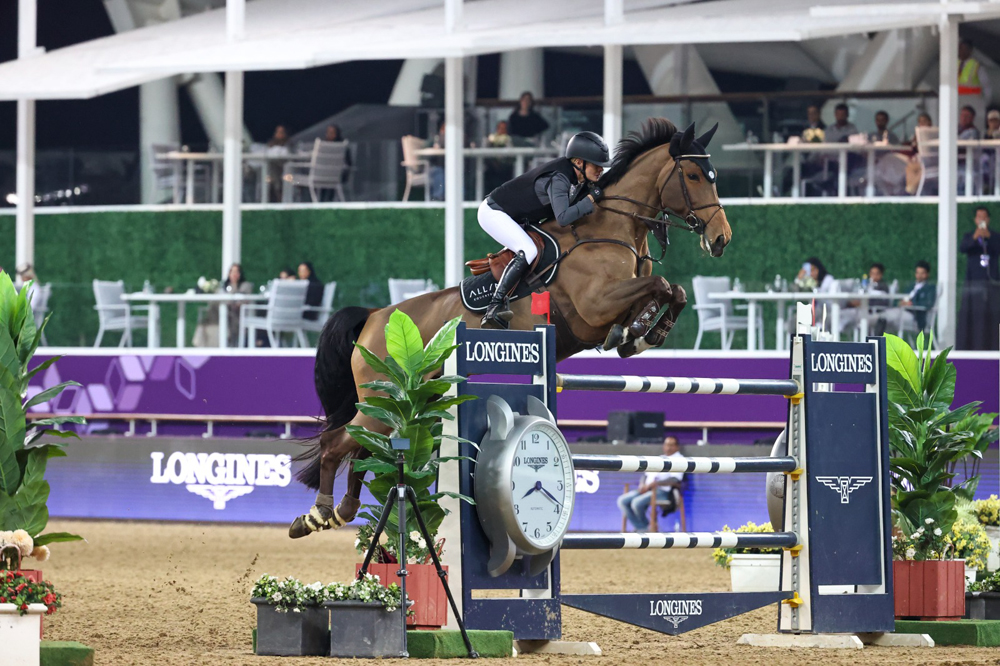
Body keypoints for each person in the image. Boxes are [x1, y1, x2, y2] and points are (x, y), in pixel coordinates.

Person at [476, 131, 611, 328]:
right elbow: (563, 218)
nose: (601, 169)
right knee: (528, 250)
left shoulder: (578, 176)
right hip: (493, 213)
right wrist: (590, 200)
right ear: (579, 162)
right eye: (596, 164)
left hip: (519, 217)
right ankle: (494, 306)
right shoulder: (559, 178)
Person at [617, 437, 684, 532]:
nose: (668, 447)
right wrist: (642, 484)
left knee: (636, 503)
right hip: (646, 489)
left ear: (677, 447)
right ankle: (643, 527)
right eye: (666, 445)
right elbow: (645, 474)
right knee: (622, 501)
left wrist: (655, 484)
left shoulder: (680, 459)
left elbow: (676, 479)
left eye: (671, 445)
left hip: (662, 492)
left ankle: (644, 529)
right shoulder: (660, 458)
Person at [957, 207, 1000, 350]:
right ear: (975, 220)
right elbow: (963, 248)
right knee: (973, 316)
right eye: (979, 217)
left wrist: (989, 236)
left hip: (992, 284)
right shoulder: (970, 236)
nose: (981, 220)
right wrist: (976, 237)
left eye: (984, 217)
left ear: (988, 219)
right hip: (973, 284)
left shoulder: (994, 236)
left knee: (991, 316)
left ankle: (992, 347)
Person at [874, 261, 936, 337]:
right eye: (917, 273)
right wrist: (900, 303)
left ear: (927, 274)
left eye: (922, 273)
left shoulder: (930, 288)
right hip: (901, 310)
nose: (919, 275)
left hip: (915, 315)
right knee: (882, 317)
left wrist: (911, 304)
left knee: (884, 317)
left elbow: (928, 303)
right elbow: (901, 297)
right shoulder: (911, 286)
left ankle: (876, 341)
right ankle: (877, 341)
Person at [839, 263, 890, 333]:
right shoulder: (867, 284)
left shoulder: (883, 286)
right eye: (872, 273)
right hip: (861, 310)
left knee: (855, 315)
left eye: (876, 274)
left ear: (881, 275)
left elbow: (883, 302)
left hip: (873, 313)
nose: (873, 276)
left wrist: (864, 304)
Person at [959, 38, 992, 124]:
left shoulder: (977, 66)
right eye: (960, 48)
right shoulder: (954, 64)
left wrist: (984, 104)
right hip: (958, 102)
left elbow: (987, 86)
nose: (960, 51)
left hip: (974, 102)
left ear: (970, 51)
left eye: (963, 49)